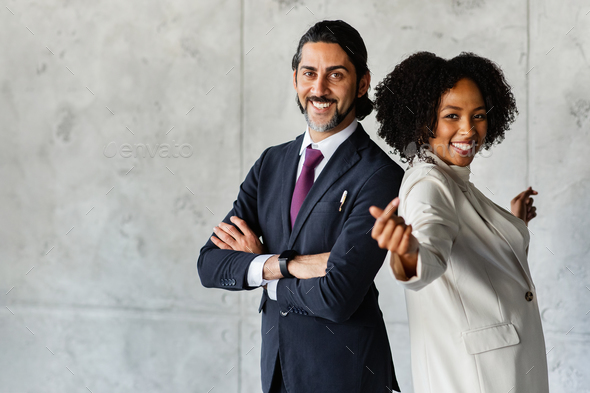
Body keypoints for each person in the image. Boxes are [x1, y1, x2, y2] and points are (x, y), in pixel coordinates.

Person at [197, 20, 403, 393]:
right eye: (309, 73)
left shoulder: (381, 176)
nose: (319, 89)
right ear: (295, 79)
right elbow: (210, 264)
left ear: (362, 83)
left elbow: (338, 296)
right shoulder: (271, 163)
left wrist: (265, 275)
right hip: (277, 371)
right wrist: (285, 265)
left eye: (335, 75)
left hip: (347, 376)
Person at [369, 51, 549, 392]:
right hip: (480, 379)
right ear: (424, 121)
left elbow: (470, 247)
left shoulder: (453, 179)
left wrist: (511, 224)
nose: (469, 129)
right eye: (452, 115)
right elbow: (429, 252)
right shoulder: (429, 183)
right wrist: (408, 252)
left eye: (478, 115)